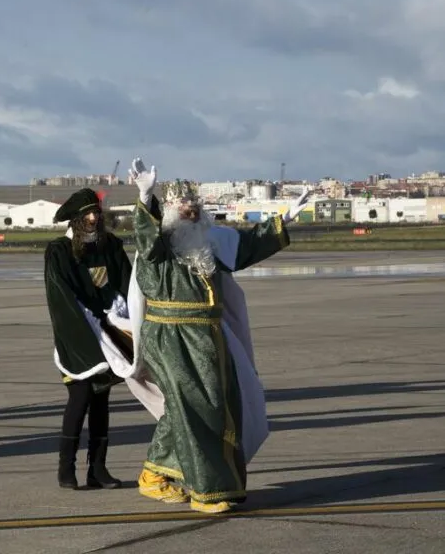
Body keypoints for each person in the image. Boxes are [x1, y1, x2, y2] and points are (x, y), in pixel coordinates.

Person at [122, 158, 314, 513]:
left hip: (208, 336)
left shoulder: (206, 246)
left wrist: (283, 218)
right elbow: (146, 239)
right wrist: (146, 195)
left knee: (204, 408)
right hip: (172, 338)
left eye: (195, 206)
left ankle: (153, 475)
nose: (191, 211)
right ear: (169, 212)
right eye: (184, 206)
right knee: (200, 410)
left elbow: (243, 245)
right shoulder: (158, 249)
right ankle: (207, 492)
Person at [44, 188, 134, 490]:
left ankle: (98, 469)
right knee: (79, 398)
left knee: (101, 400)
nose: (94, 218)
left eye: (96, 212)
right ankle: (65, 469)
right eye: (87, 214)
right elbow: (61, 297)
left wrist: (124, 316)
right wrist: (84, 327)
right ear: (75, 219)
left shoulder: (110, 245)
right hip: (77, 334)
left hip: (109, 331)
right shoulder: (58, 251)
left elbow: (127, 283)